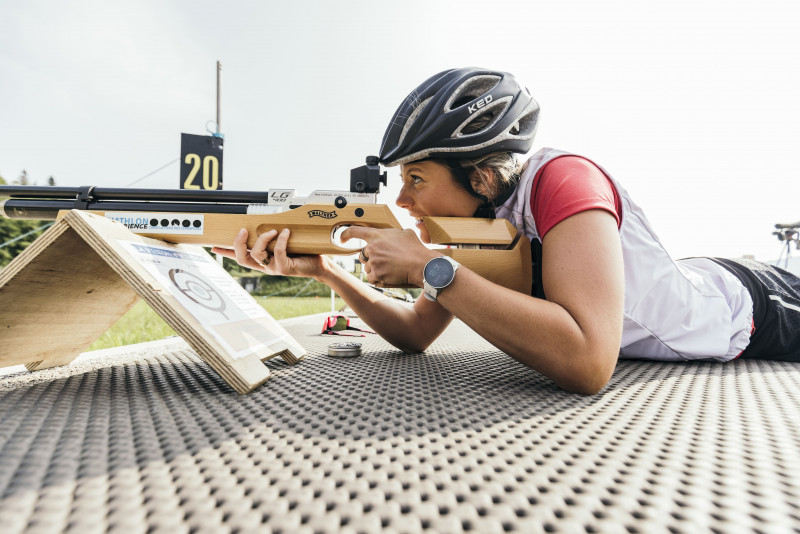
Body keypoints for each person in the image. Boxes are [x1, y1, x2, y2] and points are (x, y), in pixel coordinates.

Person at [212, 67, 800, 394]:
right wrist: (327, 273)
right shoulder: (472, 224)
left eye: (417, 178)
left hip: (753, 306)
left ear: (481, 174)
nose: (403, 199)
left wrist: (427, 266)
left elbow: (589, 363)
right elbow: (415, 333)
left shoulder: (564, 179)